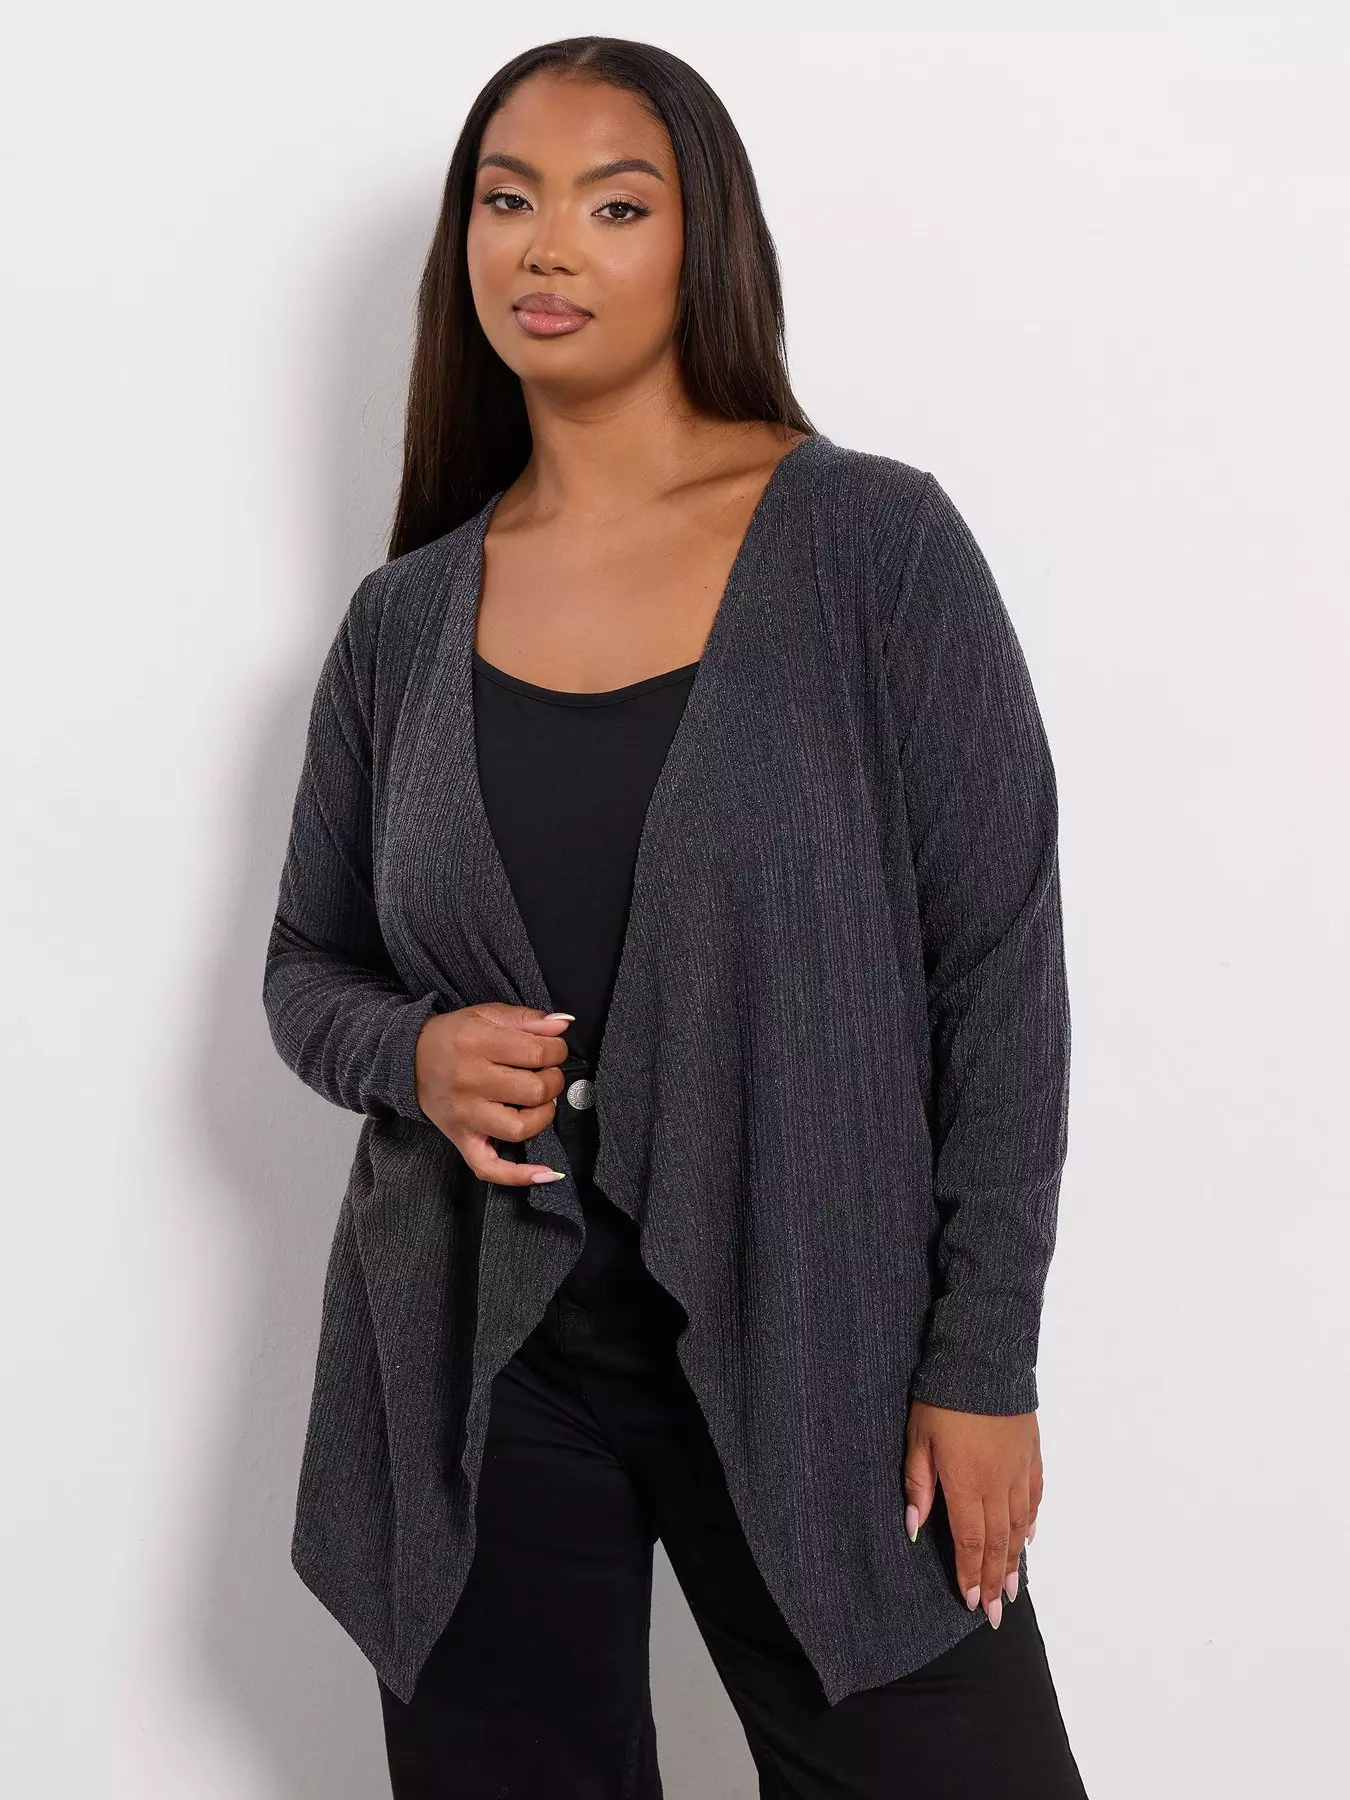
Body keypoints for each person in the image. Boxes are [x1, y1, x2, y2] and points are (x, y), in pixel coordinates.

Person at [262, 33, 1089, 1800]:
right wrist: (413, 1054)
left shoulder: (870, 547)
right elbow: (305, 970)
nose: (547, 246)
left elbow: (999, 975)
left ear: (703, 239)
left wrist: (980, 1361)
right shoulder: (404, 619)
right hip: (479, 1352)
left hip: (822, 1335)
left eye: (613, 205)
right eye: (507, 201)